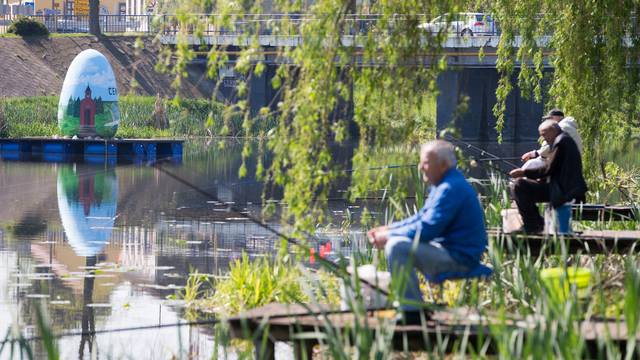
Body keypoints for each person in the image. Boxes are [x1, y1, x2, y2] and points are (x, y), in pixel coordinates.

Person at [367, 140, 487, 316]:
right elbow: (421, 217)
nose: (421, 167)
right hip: (450, 250)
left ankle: (411, 313)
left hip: (460, 258)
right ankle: (411, 307)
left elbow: (427, 229)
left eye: (425, 162)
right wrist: (389, 228)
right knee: (396, 241)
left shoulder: (450, 188)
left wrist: (389, 236)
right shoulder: (444, 185)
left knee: (396, 246)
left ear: (443, 165)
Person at [509, 120, 587, 233]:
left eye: (544, 134)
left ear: (553, 130)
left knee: (519, 185)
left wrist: (524, 172)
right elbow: (556, 169)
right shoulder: (565, 141)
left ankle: (533, 225)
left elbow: (548, 169)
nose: (543, 138)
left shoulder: (561, 142)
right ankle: (536, 223)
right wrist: (543, 179)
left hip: (564, 191)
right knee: (522, 186)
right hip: (566, 188)